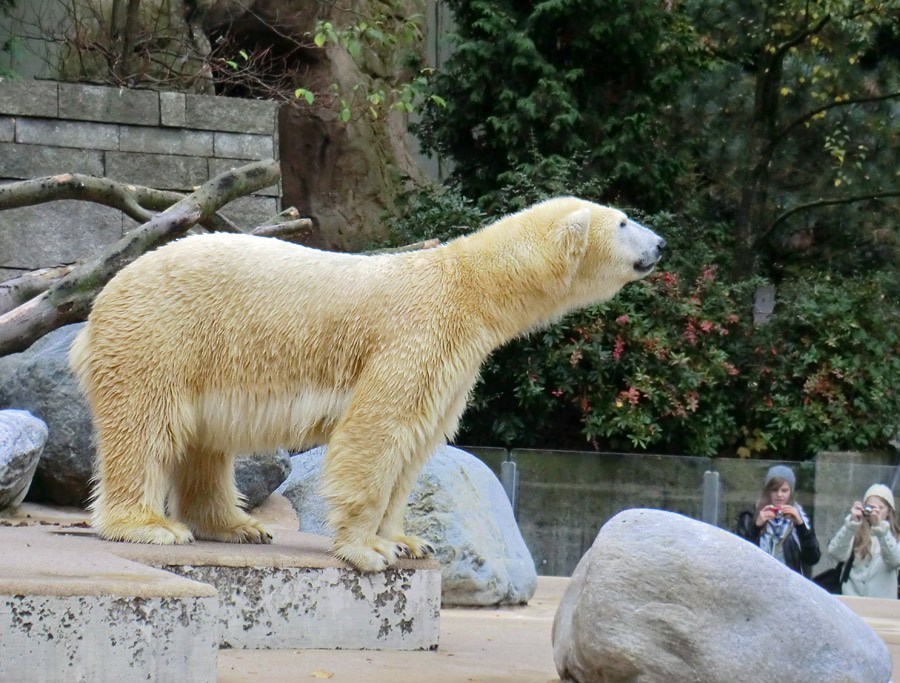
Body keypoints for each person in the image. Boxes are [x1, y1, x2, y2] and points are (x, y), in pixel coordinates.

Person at [736, 464, 821, 574]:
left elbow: (812, 559)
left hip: (789, 583)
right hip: (758, 580)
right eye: (774, 490)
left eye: (784, 490)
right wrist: (756, 527)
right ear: (768, 491)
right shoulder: (749, 516)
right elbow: (740, 555)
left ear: (791, 492)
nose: (779, 495)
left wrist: (801, 526)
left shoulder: (800, 517)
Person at [827, 483, 900, 598]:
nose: (875, 512)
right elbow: (835, 553)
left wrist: (880, 529)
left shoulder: (895, 537)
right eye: (871, 508)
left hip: (882, 605)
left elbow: (894, 561)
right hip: (851, 601)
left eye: (881, 508)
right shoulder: (854, 530)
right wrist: (850, 525)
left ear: (889, 512)